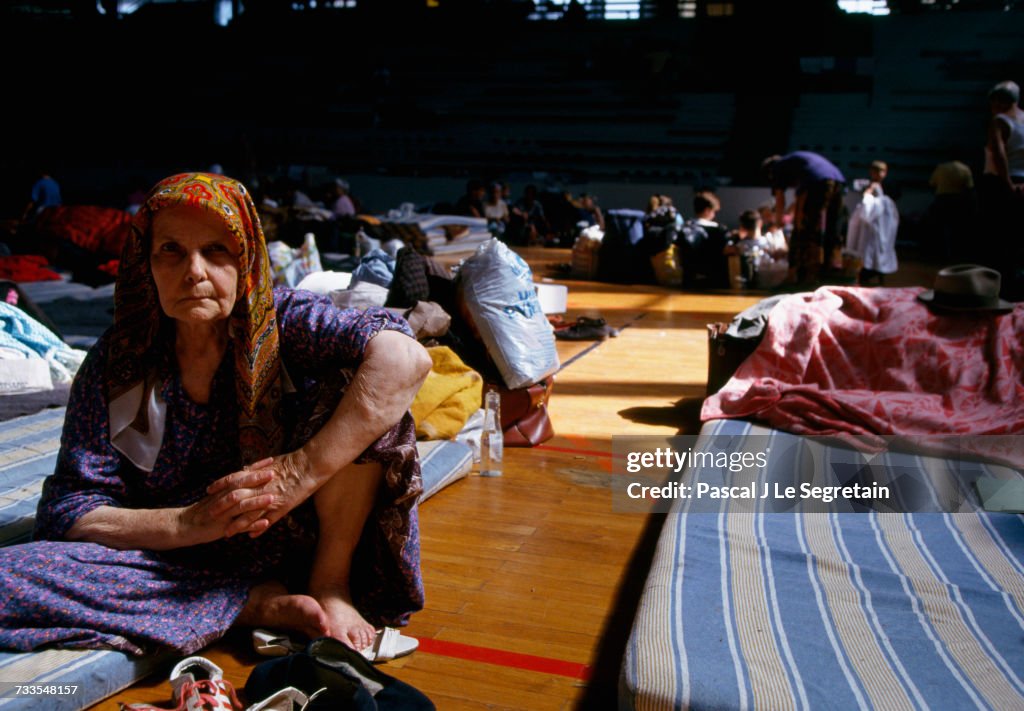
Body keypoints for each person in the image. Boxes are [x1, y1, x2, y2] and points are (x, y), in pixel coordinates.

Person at [0, 172, 433, 656]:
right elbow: (70, 511)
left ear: (246, 259)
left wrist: (299, 472)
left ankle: (329, 586)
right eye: (171, 251)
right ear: (146, 264)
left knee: (369, 394)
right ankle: (251, 604)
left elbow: (405, 359)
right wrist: (190, 523)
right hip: (170, 559)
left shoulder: (286, 320)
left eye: (216, 251)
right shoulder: (119, 359)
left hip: (295, 538)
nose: (194, 272)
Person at [761, 151, 846, 284]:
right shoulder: (796, 163)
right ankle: (830, 272)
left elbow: (780, 198)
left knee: (808, 230)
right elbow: (800, 197)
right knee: (832, 230)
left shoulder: (778, 167)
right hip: (838, 180)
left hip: (819, 183)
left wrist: (779, 222)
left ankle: (807, 276)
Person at [978, 80, 1024, 297]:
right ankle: (1014, 288)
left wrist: (1008, 184)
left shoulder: (1000, 120)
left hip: (1001, 183)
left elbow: (999, 154)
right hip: (1022, 182)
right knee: (1016, 238)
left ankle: (997, 291)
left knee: (997, 239)